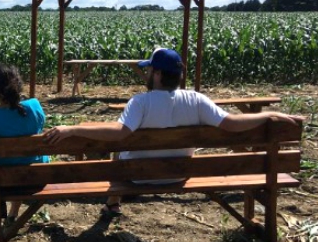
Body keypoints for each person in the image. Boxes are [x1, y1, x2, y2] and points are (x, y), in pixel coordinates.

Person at [44, 47, 301, 216]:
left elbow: (119, 132)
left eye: (148, 69)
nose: (146, 73)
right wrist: (269, 115)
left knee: (120, 155)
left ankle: (113, 204)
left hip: (139, 177)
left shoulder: (140, 102)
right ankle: (113, 203)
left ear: (157, 74)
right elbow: (231, 124)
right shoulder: (197, 100)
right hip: (180, 175)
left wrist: (72, 128)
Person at [0, 63, 49, 224]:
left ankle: (10, 216)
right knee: (24, 160)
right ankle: (12, 215)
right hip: (37, 177)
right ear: (19, 86)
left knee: (9, 163)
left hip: (2, 181)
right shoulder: (35, 107)